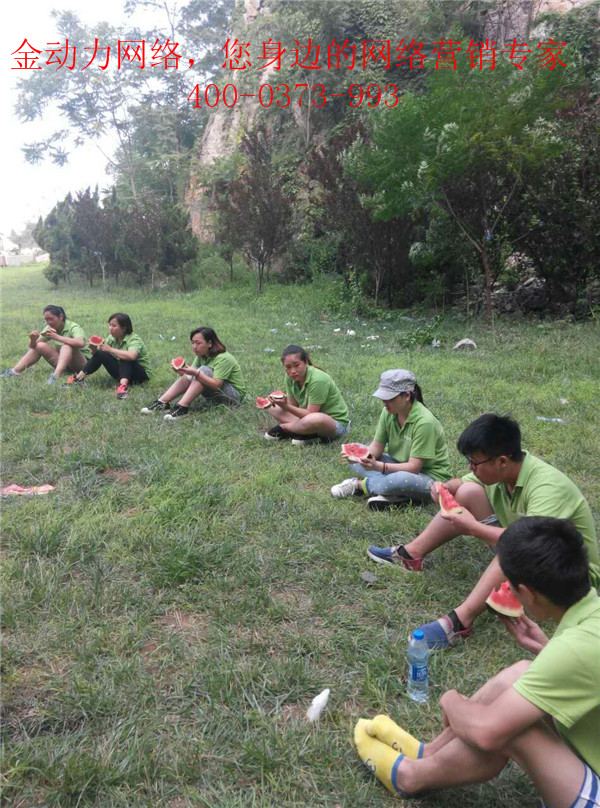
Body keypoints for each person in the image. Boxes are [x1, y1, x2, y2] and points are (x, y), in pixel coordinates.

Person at [354, 517, 600, 807]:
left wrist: (450, 699)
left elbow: (486, 734)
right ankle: (428, 754)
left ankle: (410, 777)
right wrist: (546, 649)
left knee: (510, 729)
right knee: (520, 674)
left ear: (528, 594)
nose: (504, 587)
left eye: (509, 584)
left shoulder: (574, 650)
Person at [367, 414, 600, 648]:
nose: (471, 467)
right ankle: (412, 554)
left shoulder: (547, 486)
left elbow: (529, 542)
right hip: (530, 552)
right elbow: (461, 483)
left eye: (474, 463)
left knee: (516, 549)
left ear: (502, 461)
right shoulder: (503, 470)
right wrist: (443, 487)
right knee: (468, 491)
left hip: (571, 577)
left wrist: (473, 528)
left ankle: (461, 621)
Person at [330, 369, 451, 511]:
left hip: (428, 477)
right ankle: (396, 496)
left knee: (401, 480)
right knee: (356, 449)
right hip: (397, 464)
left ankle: (359, 485)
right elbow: (377, 447)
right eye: (383, 398)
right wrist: (361, 457)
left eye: (390, 398)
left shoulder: (425, 422)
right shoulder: (388, 412)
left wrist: (378, 467)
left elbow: (414, 467)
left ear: (407, 395)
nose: (385, 403)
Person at [141, 326, 246, 420]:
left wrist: (196, 373)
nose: (194, 346)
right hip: (215, 396)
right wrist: (182, 372)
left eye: (198, 343)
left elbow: (216, 385)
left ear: (209, 343)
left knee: (203, 370)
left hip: (233, 399)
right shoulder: (202, 355)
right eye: (193, 343)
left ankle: (182, 408)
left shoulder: (223, 358)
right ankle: (162, 403)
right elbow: (190, 377)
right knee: (198, 372)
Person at [264, 344, 350, 446]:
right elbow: (293, 405)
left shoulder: (318, 380)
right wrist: (281, 402)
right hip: (308, 419)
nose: (293, 371)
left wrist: (286, 407)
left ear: (305, 362)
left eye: (297, 365)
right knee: (273, 407)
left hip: (335, 424)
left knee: (316, 419)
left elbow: (310, 414)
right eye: (288, 367)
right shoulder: (290, 377)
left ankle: (285, 428)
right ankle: (306, 433)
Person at [66, 313, 150, 399]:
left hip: (140, 376)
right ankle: (78, 379)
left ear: (124, 328)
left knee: (125, 356)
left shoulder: (134, 339)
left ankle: (123, 388)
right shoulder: (112, 338)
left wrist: (111, 350)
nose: (110, 328)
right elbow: (98, 355)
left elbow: (132, 356)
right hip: (122, 373)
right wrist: (93, 348)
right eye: (110, 325)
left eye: (114, 326)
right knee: (101, 353)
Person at [0, 305, 89, 384]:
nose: (48, 322)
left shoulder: (73, 327)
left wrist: (57, 337)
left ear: (61, 317)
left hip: (82, 366)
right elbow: (33, 347)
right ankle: (14, 371)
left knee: (67, 346)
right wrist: (33, 340)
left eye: (51, 319)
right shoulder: (50, 327)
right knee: (40, 345)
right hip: (65, 364)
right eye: (46, 319)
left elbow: (80, 343)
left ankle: (55, 376)